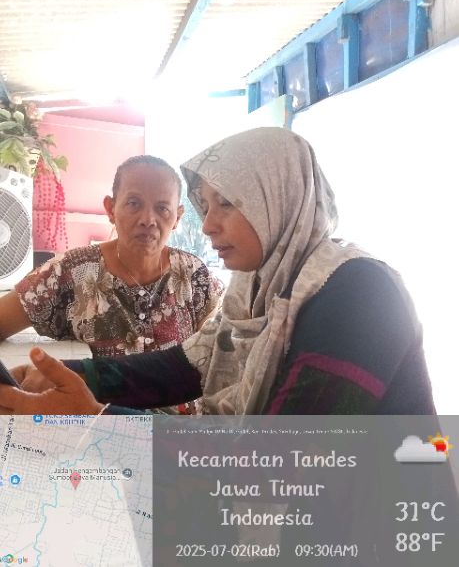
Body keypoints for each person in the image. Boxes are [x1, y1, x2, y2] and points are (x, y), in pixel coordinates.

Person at [0, 128, 435, 415]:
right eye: (206, 206)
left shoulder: (359, 295)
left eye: (226, 204)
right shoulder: (254, 290)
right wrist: (71, 376)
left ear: (277, 198)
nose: (208, 225)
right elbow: (187, 366)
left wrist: (97, 419)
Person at [0, 155, 223, 405]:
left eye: (162, 208)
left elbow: (218, 356)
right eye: (134, 203)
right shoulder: (70, 272)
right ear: (110, 209)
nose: (148, 220)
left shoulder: (193, 276)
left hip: (179, 427)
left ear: (178, 217)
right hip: (96, 420)